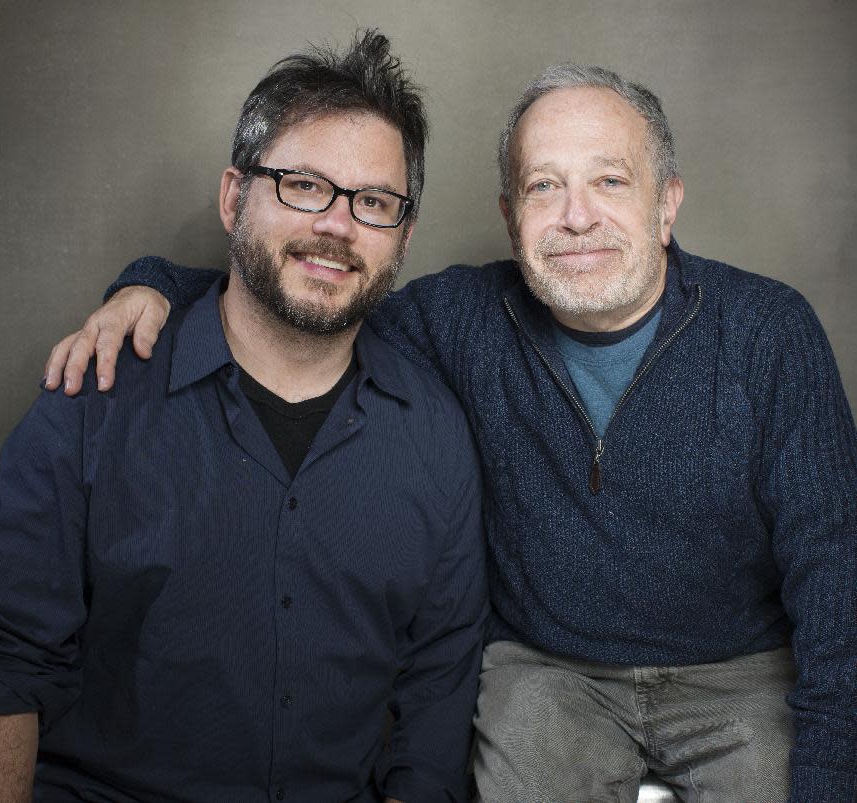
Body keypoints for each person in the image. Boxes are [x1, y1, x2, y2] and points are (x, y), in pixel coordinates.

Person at [46, 62, 857, 802]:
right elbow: (307, 295)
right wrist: (152, 284)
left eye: (610, 180)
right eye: (544, 187)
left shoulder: (766, 331)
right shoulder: (459, 318)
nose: (577, 217)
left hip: (740, 675)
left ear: (666, 202)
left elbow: (836, 573)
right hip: (549, 672)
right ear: (510, 217)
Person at [0, 31, 489, 803]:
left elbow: (436, 693)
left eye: (373, 202)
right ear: (235, 197)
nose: (336, 223)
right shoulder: (93, 394)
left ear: (402, 234)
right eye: (302, 184)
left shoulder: (434, 432)